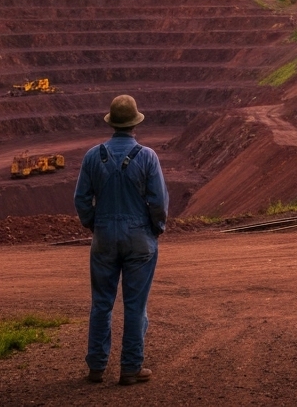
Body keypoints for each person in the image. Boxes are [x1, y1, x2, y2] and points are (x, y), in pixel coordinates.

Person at [74, 94, 169, 386]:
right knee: (135, 305)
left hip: (103, 237)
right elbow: (158, 203)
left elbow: (80, 200)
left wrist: (96, 224)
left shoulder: (93, 156)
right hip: (139, 238)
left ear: (112, 123)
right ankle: (130, 367)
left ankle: (96, 367)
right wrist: (156, 229)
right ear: (135, 123)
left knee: (101, 303)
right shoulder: (148, 156)